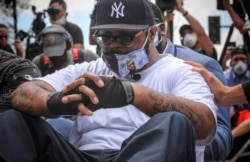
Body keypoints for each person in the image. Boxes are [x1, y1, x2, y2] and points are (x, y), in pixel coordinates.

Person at [0, 0, 217, 161]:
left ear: (152, 33)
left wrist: (132, 94)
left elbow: (205, 125)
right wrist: (55, 101)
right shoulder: (90, 69)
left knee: (174, 121)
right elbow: (21, 93)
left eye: (125, 37)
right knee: (14, 121)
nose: (114, 45)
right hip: (83, 156)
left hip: (139, 154)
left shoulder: (180, 72)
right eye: (106, 37)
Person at [150, 2, 232, 161]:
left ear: (155, 31)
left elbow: (222, 136)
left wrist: (182, 147)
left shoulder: (204, 65)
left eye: (131, 35)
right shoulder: (119, 67)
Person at [32, 25, 99, 76]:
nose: (55, 56)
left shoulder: (85, 57)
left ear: (68, 44)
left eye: (57, 49)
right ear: (42, 48)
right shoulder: (38, 63)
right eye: (51, 52)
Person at [185, 61, 250, 106]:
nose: (239, 62)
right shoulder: (226, 75)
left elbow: (224, 97)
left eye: (242, 59)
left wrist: (209, 77)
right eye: (236, 59)